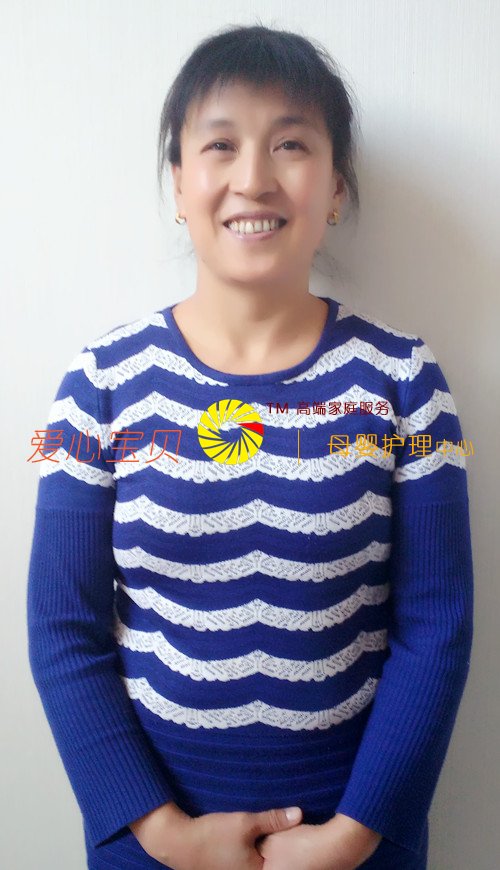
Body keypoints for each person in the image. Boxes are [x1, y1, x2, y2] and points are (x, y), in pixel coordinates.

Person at [27, 22, 474, 870]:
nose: (254, 178)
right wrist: (165, 833)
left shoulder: (406, 380)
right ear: (179, 182)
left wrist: (351, 837)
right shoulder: (98, 382)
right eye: (220, 144)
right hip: (149, 843)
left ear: (335, 187)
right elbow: (61, 630)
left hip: (359, 838)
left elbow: (437, 627)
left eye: (291, 144)